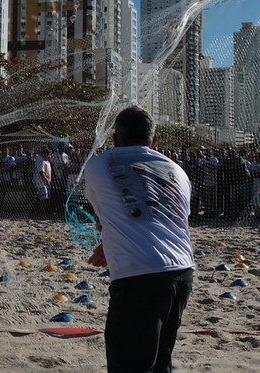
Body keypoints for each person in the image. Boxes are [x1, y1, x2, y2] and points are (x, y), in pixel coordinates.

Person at [84, 106, 194, 372]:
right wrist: (110, 243)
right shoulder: (177, 170)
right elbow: (163, 220)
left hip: (139, 276)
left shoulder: (99, 164)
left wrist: (109, 241)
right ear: (154, 141)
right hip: (182, 272)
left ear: (114, 139)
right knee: (160, 363)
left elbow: (105, 217)